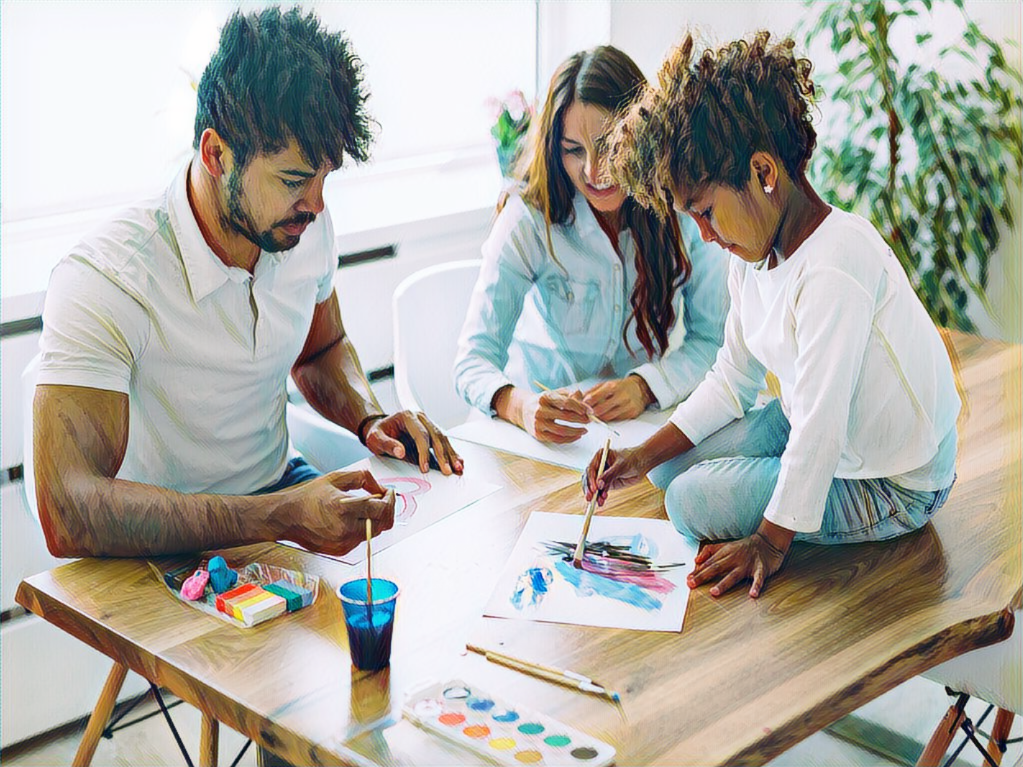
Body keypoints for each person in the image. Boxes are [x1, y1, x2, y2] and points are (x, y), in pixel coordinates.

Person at [33, 7, 463, 562]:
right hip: (161, 536)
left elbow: (322, 350)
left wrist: (370, 417)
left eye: (325, 178)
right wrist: (280, 516)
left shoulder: (300, 226)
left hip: (279, 490)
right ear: (216, 154)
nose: (316, 205)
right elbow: (69, 512)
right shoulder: (110, 277)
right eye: (293, 180)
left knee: (417, 586)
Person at [585, 31, 960, 599]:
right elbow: (731, 381)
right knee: (664, 471)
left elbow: (821, 428)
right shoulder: (753, 254)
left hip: (896, 478)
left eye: (707, 212)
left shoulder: (834, 266)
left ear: (763, 172)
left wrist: (769, 540)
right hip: (817, 420)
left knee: (688, 502)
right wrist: (640, 454)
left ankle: (788, 510)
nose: (706, 236)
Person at [454, 46, 728, 444]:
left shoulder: (681, 208)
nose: (594, 171)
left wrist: (647, 385)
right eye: (573, 150)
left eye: (609, 144)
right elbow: (472, 361)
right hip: (538, 443)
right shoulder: (529, 219)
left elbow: (714, 341)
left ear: (641, 134)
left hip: (635, 435)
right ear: (554, 149)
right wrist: (521, 406)